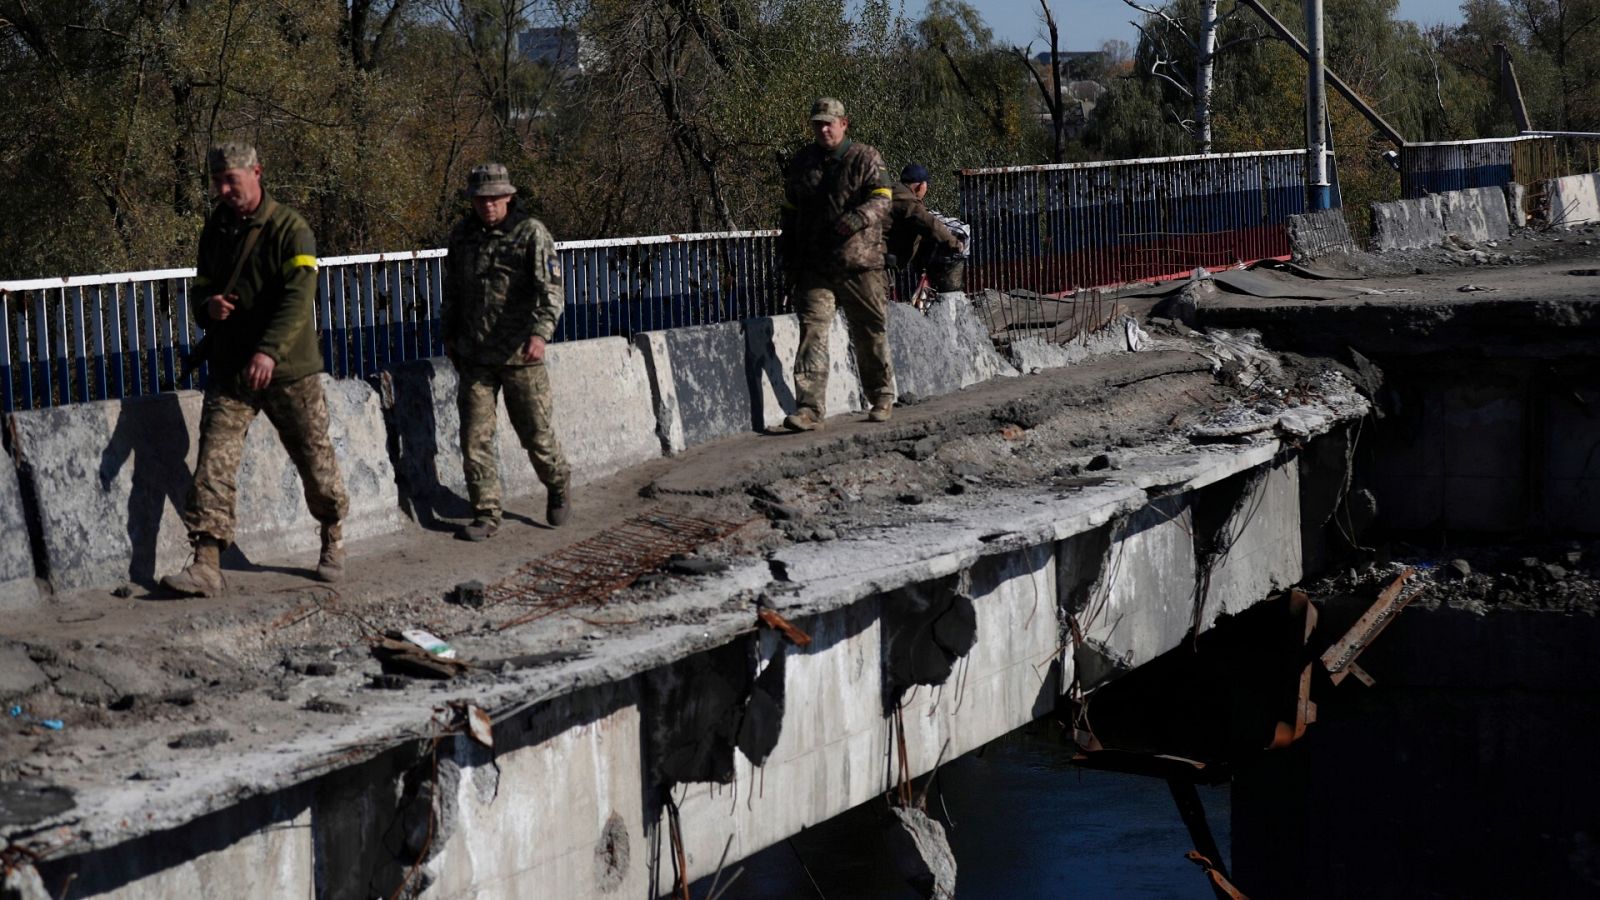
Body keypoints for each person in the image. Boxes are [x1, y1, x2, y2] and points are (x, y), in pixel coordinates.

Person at [162, 142, 349, 597]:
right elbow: (200, 289)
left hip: (289, 371)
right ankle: (207, 563)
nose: (224, 189)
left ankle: (332, 533)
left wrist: (269, 351)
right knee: (214, 463)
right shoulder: (217, 228)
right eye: (217, 182)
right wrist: (207, 308)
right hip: (231, 370)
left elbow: (298, 299)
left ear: (257, 172)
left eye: (232, 180)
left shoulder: (290, 228)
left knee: (314, 460)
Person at [441, 162, 572, 541]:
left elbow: (551, 291)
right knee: (474, 437)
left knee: (535, 434)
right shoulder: (463, 236)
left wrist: (540, 335)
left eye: (494, 198)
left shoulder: (531, 233)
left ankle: (558, 482)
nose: (487, 205)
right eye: (480, 199)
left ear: (509, 197)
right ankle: (486, 512)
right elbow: (452, 289)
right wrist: (448, 332)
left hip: (520, 356)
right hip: (475, 355)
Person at [779, 97, 897, 431]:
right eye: (818, 123)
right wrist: (787, 250)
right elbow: (790, 208)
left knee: (868, 331)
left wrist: (859, 217)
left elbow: (883, 198)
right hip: (816, 264)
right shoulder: (803, 162)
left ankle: (881, 396)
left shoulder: (864, 157)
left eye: (830, 123)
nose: (824, 129)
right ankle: (809, 408)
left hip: (860, 263)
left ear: (844, 124)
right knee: (813, 331)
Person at [888, 163, 968, 295]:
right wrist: (954, 243)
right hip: (877, 265)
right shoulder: (907, 202)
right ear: (920, 185)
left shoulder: (893, 194)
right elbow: (930, 223)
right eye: (927, 185)